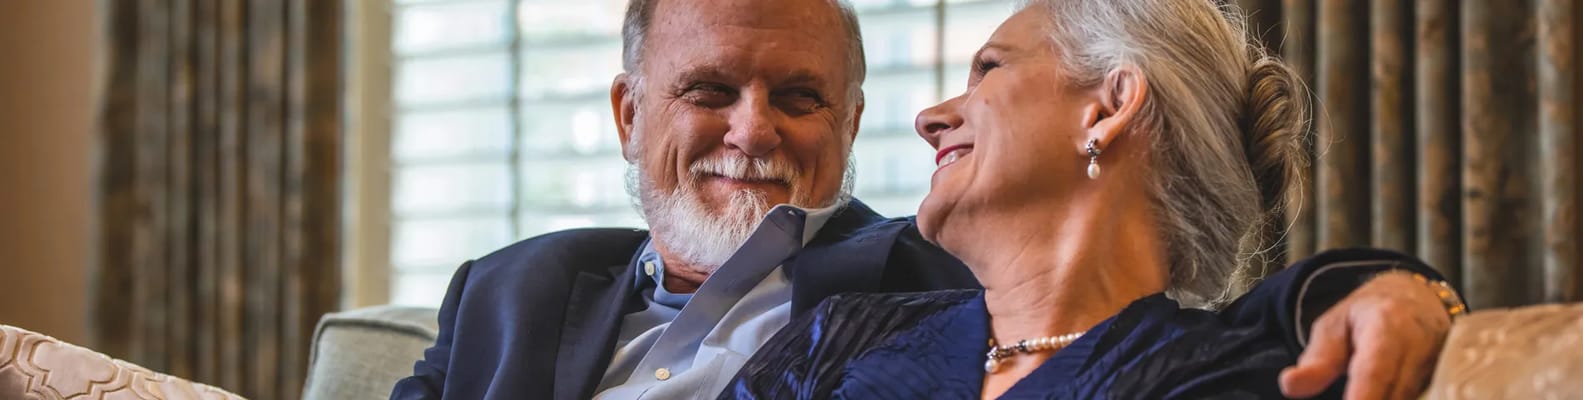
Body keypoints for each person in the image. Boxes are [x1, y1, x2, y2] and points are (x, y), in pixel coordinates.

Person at [390, 1, 1457, 399]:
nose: (752, 131)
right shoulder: (505, 287)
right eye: (708, 91)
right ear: (628, 113)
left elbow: (1220, 320)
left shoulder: (898, 280)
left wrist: (1396, 288)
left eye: (800, 98)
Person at [722, 1, 1462, 399]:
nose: (928, 117)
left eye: (989, 70)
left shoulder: (1221, 373)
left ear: (1107, 107)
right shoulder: (842, 334)